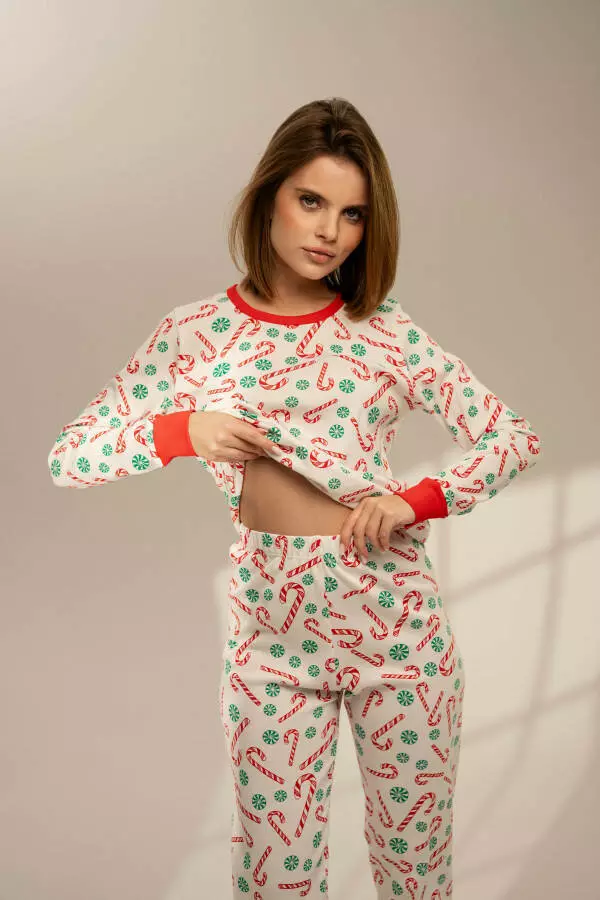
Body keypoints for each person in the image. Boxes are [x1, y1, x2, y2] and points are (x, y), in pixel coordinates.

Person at [48, 97, 542, 899]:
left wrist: (417, 499)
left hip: (396, 631)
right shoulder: (195, 332)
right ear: (269, 194)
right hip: (270, 639)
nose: (329, 231)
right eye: (311, 201)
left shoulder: (386, 330)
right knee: (275, 879)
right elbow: (71, 456)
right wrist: (184, 430)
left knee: (415, 875)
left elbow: (510, 437)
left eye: (352, 214)